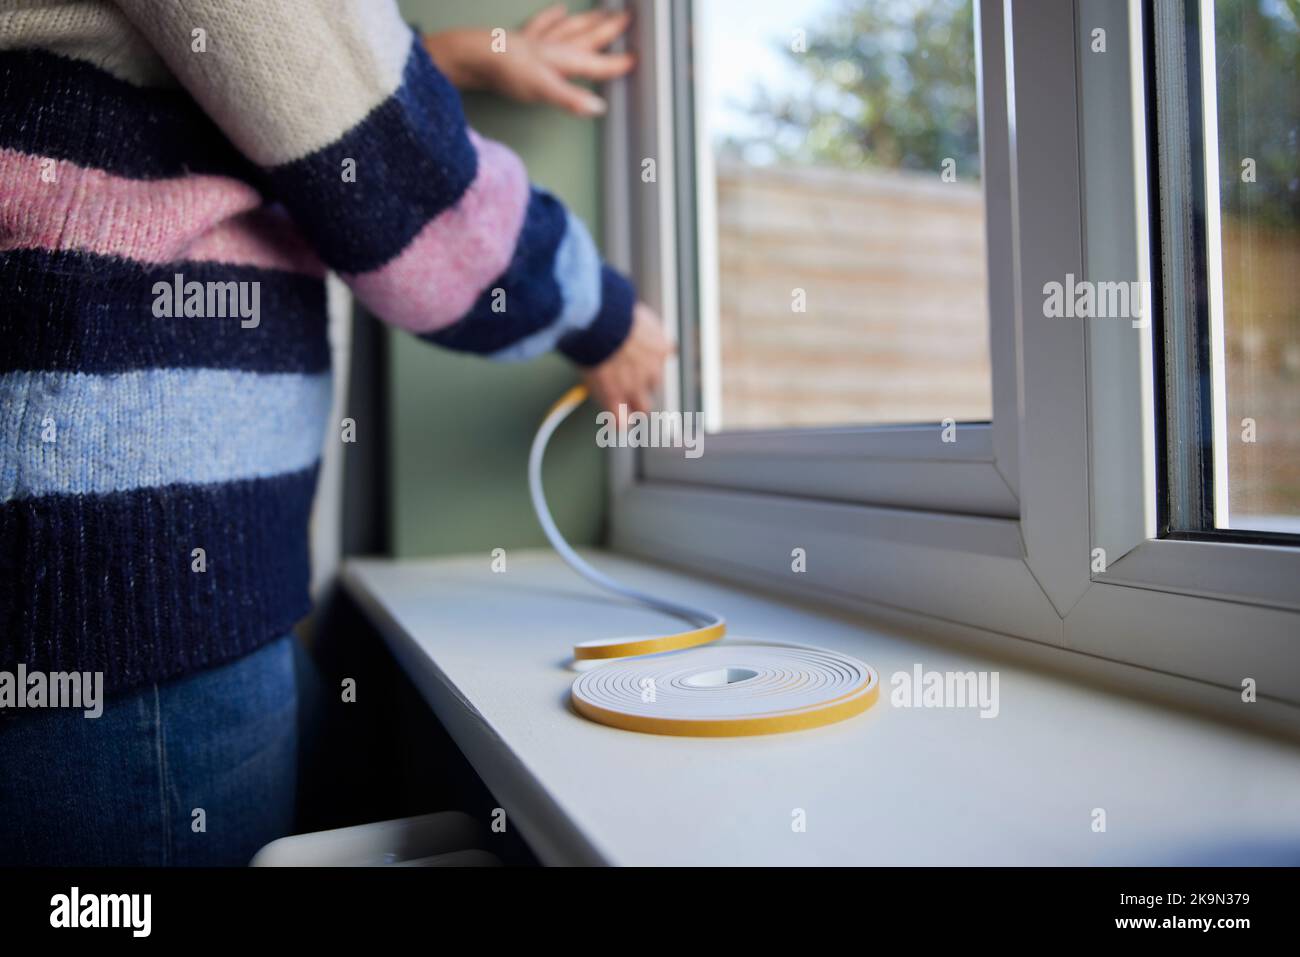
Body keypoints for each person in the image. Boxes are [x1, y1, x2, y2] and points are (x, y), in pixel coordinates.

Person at [0, 0, 669, 866]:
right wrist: (605, 314)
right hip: (125, 608)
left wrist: (434, 62)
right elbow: (403, 183)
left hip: (126, 600)